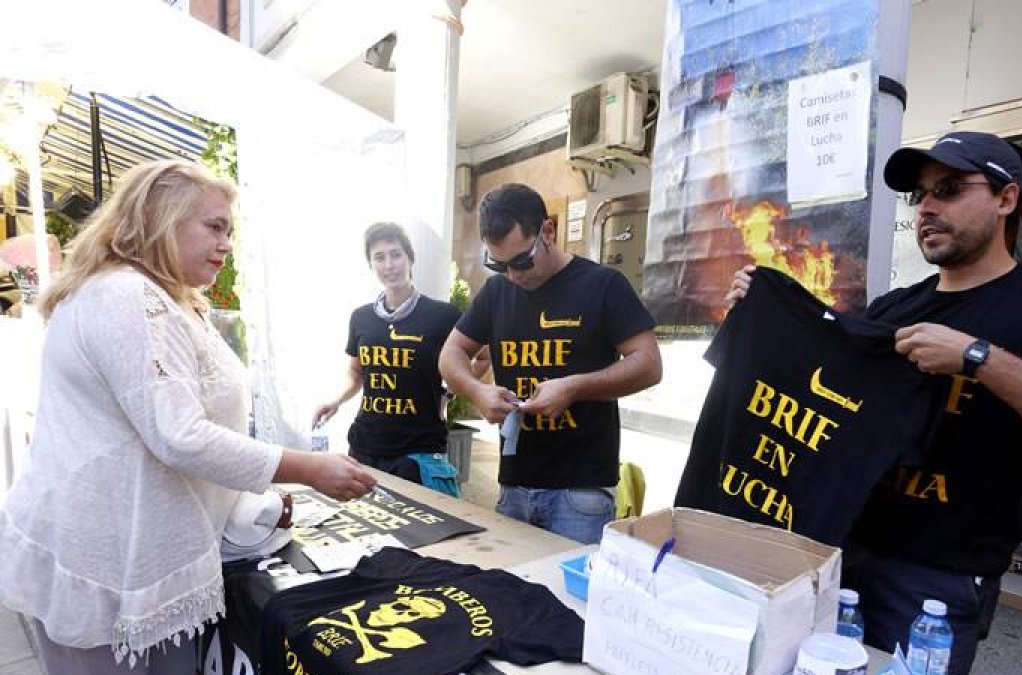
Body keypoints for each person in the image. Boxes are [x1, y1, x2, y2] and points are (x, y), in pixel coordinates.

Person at [725, 131, 1022, 674]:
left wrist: (979, 358)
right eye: (920, 195)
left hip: (935, 584)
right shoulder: (893, 308)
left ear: (1006, 199)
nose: (927, 207)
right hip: (837, 557)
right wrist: (764, 318)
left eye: (949, 189)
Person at [0, 160, 376, 674]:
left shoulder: (159, 297)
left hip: (127, 557)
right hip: (108, 567)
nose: (225, 244)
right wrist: (310, 468)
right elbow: (180, 435)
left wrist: (250, 500)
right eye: (214, 227)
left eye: (229, 230)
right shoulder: (126, 296)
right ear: (159, 218)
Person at [439, 183, 662, 544]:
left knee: (573, 599)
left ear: (548, 232)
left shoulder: (603, 284)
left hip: (580, 489)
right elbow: (450, 354)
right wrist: (478, 391)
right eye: (499, 265)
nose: (513, 275)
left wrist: (574, 387)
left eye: (521, 261)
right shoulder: (497, 293)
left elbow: (649, 363)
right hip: (514, 484)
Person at [313, 221, 464, 496]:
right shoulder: (361, 318)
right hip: (365, 448)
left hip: (418, 453)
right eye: (379, 257)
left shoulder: (443, 316)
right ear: (370, 264)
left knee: (424, 535)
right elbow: (357, 373)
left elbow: (480, 358)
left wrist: (450, 392)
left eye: (396, 254)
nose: (389, 265)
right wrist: (335, 400)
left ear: (410, 258)